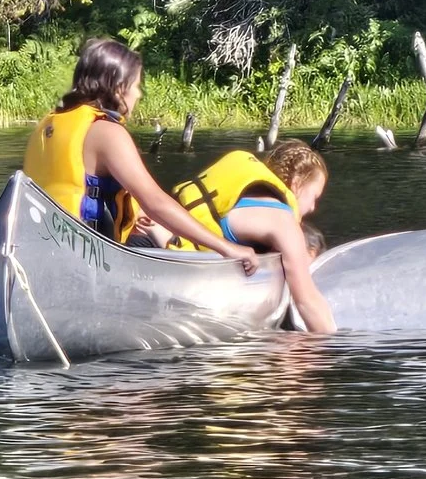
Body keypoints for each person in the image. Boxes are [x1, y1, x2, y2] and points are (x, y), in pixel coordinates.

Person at [21, 38, 259, 272]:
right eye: (136, 85)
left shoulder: (48, 126)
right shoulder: (108, 133)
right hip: (83, 261)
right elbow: (155, 203)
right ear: (118, 88)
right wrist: (226, 248)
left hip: (41, 254)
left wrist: (135, 215)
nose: (138, 94)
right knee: (165, 243)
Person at [129, 138, 337, 334]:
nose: (313, 207)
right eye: (314, 197)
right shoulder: (285, 224)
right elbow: (307, 301)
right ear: (297, 184)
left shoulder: (242, 190)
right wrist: (334, 346)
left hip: (139, 247)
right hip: (162, 274)